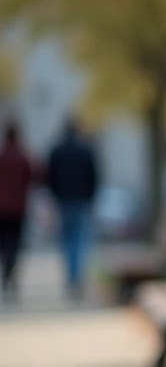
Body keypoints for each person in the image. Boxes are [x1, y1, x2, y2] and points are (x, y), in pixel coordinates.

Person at [45, 117, 99, 301]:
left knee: (67, 241)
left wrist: (55, 197)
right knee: (79, 241)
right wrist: (91, 198)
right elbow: (94, 176)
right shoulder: (85, 150)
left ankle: (71, 276)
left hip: (63, 202)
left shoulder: (56, 151)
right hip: (81, 201)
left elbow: (50, 177)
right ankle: (75, 277)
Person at [0, 121, 36, 302]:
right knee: (14, 243)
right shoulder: (22, 156)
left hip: (2, 208)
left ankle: (7, 273)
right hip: (18, 207)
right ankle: (10, 274)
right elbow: (31, 177)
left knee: (4, 243)